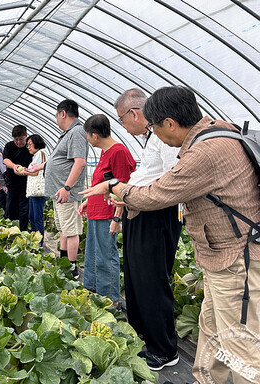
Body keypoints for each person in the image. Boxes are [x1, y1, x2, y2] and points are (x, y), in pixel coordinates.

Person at [81, 86, 260, 384]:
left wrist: (115, 187)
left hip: (236, 263)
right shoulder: (217, 131)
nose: (153, 134)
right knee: (212, 332)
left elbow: (157, 193)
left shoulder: (204, 154)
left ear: (170, 123)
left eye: (153, 127)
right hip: (221, 260)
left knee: (239, 347)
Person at [113, 88, 182, 370]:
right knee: (139, 278)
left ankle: (165, 349)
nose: (123, 126)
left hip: (157, 214)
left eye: (122, 119)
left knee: (152, 280)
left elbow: (170, 181)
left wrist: (125, 191)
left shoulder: (166, 138)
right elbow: (147, 174)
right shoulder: (152, 138)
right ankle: (148, 337)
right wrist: (125, 193)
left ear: (134, 113)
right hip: (140, 210)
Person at [78, 114, 135, 305]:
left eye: (87, 135)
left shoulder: (118, 152)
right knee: (93, 254)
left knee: (105, 256)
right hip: (96, 211)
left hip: (108, 213)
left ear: (94, 135)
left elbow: (123, 189)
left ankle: (110, 300)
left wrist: (117, 219)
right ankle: (93, 292)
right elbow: (101, 184)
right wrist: (89, 201)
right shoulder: (105, 152)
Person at [29, 100, 88, 278]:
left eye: (56, 115)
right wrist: (38, 168)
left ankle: (72, 269)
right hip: (59, 193)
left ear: (63, 113)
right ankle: (63, 263)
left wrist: (67, 187)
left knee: (70, 231)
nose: (56, 119)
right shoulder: (67, 134)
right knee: (63, 229)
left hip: (66, 193)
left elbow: (80, 162)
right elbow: (59, 160)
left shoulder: (77, 132)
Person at [3, 124, 33, 231]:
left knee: (24, 209)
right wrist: (14, 166)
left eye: (21, 139)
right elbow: (5, 160)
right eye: (16, 140)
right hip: (12, 184)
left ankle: (23, 231)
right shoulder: (9, 146)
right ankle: (12, 230)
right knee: (11, 208)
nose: (18, 142)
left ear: (26, 136)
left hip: (26, 185)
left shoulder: (30, 148)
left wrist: (28, 171)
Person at [24, 134, 48, 247]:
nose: (28, 147)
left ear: (36, 143)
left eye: (30, 144)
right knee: (32, 216)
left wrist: (24, 172)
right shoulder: (37, 155)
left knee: (37, 217)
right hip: (33, 191)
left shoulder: (40, 154)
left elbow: (36, 172)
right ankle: (35, 240)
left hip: (38, 191)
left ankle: (39, 242)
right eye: (27, 145)